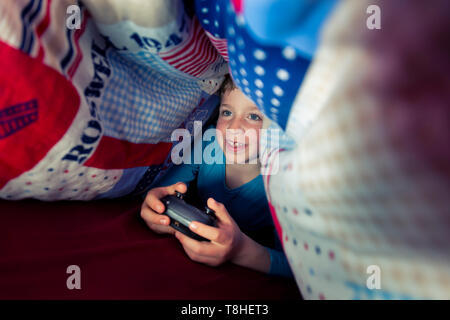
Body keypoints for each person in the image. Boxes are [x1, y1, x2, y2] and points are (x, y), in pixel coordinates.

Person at [140, 75, 293, 277]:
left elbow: (295, 267)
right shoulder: (208, 142)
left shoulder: (282, 182)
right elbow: (164, 191)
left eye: (254, 116)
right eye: (227, 112)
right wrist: (154, 204)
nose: (233, 127)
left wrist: (240, 250)